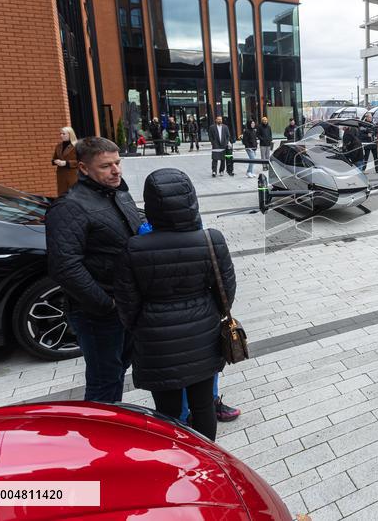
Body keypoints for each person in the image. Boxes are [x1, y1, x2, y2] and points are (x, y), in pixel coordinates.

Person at [113, 168, 235, 441]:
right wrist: (207, 315)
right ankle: (206, 458)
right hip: (202, 337)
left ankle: (176, 457)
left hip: (156, 341)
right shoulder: (210, 240)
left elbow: (126, 302)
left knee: (166, 412)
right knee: (203, 405)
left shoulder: (134, 248)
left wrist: (142, 325)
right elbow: (226, 290)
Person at [45, 137, 143, 402]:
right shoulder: (70, 207)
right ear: (84, 168)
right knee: (104, 381)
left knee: (118, 370)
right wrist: (107, 304)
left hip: (126, 306)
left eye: (118, 162)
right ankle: (100, 437)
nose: (116, 170)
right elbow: (64, 266)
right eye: (106, 166)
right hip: (99, 313)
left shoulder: (119, 193)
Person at [52, 126, 79, 195]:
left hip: (73, 174)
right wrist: (55, 161)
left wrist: (66, 163)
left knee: (74, 194)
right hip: (61, 174)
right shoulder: (58, 146)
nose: (61, 135)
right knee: (62, 195)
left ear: (70, 134)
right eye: (60, 133)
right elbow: (54, 158)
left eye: (64, 134)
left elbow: (81, 161)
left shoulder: (77, 145)